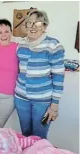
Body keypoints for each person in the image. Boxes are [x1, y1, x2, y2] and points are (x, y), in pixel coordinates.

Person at [14, 10, 65, 139]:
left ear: (45, 26)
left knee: (39, 137)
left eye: (37, 23)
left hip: (42, 101)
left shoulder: (53, 45)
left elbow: (59, 78)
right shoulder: (21, 45)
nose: (33, 27)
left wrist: (54, 106)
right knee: (25, 134)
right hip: (21, 98)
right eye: (30, 23)